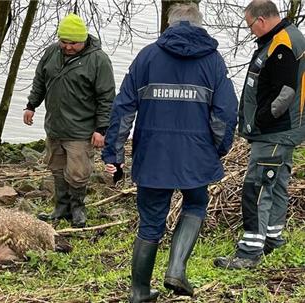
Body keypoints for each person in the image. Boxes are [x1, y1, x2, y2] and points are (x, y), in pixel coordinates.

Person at [101, 3, 238, 302]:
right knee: (196, 202)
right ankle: (176, 267)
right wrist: (218, 148)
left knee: (150, 222)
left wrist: (114, 155)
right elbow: (226, 112)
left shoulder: (147, 57)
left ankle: (138, 291)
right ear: (199, 25)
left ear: (169, 25)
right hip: (196, 152)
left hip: (153, 154)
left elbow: (123, 109)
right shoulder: (213, 61)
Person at [214, 0, 305, 270]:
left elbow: (286, 92)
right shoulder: (286, 37)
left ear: (262, 20)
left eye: (250, 25)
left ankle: (249, 251)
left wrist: (262, 120)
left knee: (257, 187)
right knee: (276, 184)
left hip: (274, 133)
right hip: (285, 131)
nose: (251, 30)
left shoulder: (282, 44)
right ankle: (272, 238)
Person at [23, 13, 115, 228]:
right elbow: (40, 81)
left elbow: (106, 97)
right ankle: (61, 208)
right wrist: (31, 105)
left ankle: (78, 209)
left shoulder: (98, 60)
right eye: (64, 42)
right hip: (55, 126)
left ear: (83, 39)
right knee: (56, 168)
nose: (68, 46)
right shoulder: (51, 53)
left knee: (77, 173)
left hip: (81, 129)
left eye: (73, 43)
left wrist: (102, 129)